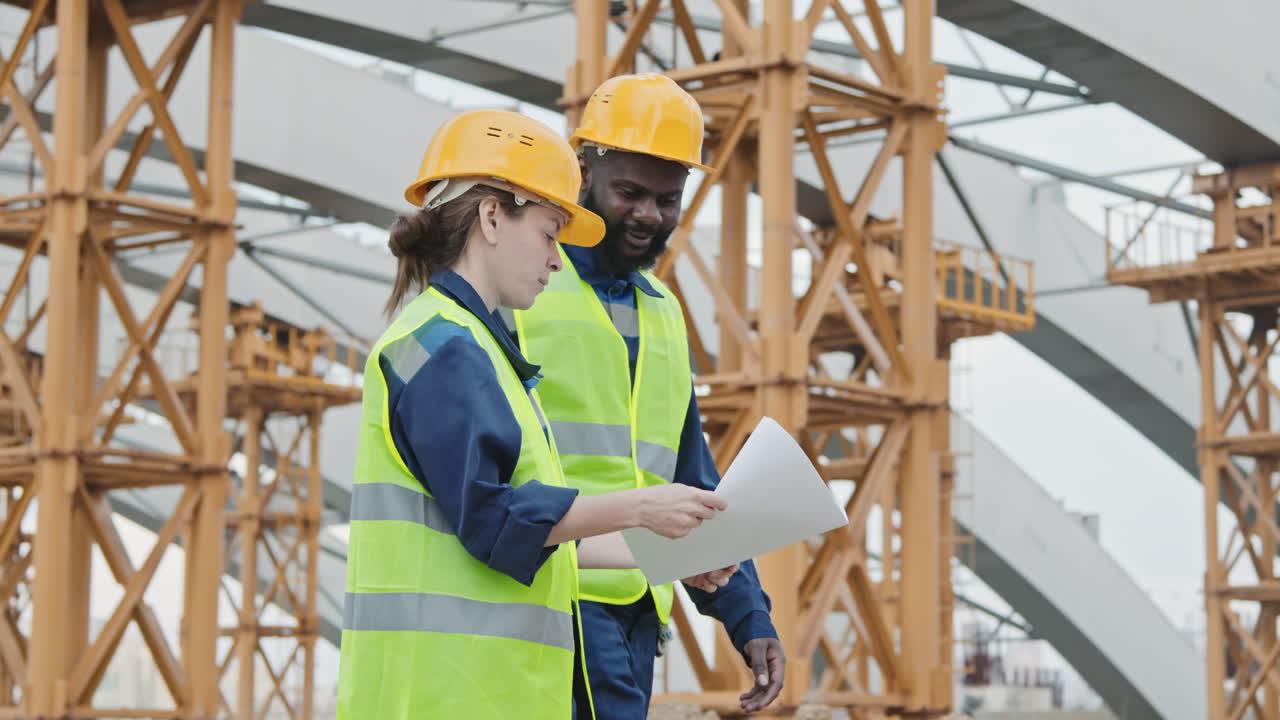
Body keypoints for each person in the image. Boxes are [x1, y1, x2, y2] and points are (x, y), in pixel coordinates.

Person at [336, 109, 730, 720]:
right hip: (450, 696)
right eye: (550, 234)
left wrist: (664, 554)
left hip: (468, 692)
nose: (557, 260)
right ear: (493, 217)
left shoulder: (470, 347)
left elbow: (525, 536)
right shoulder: (445, 348)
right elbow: (495, 522)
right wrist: (640, 507)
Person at [510, 74, 786, 717]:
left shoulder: (662, 311)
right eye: (629, 192)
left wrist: (748, 614)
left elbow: (691, 476)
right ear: (582, 174)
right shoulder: (523, 292)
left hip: (635, 611)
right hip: (550, 599)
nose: (648, 216)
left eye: (667, 199)